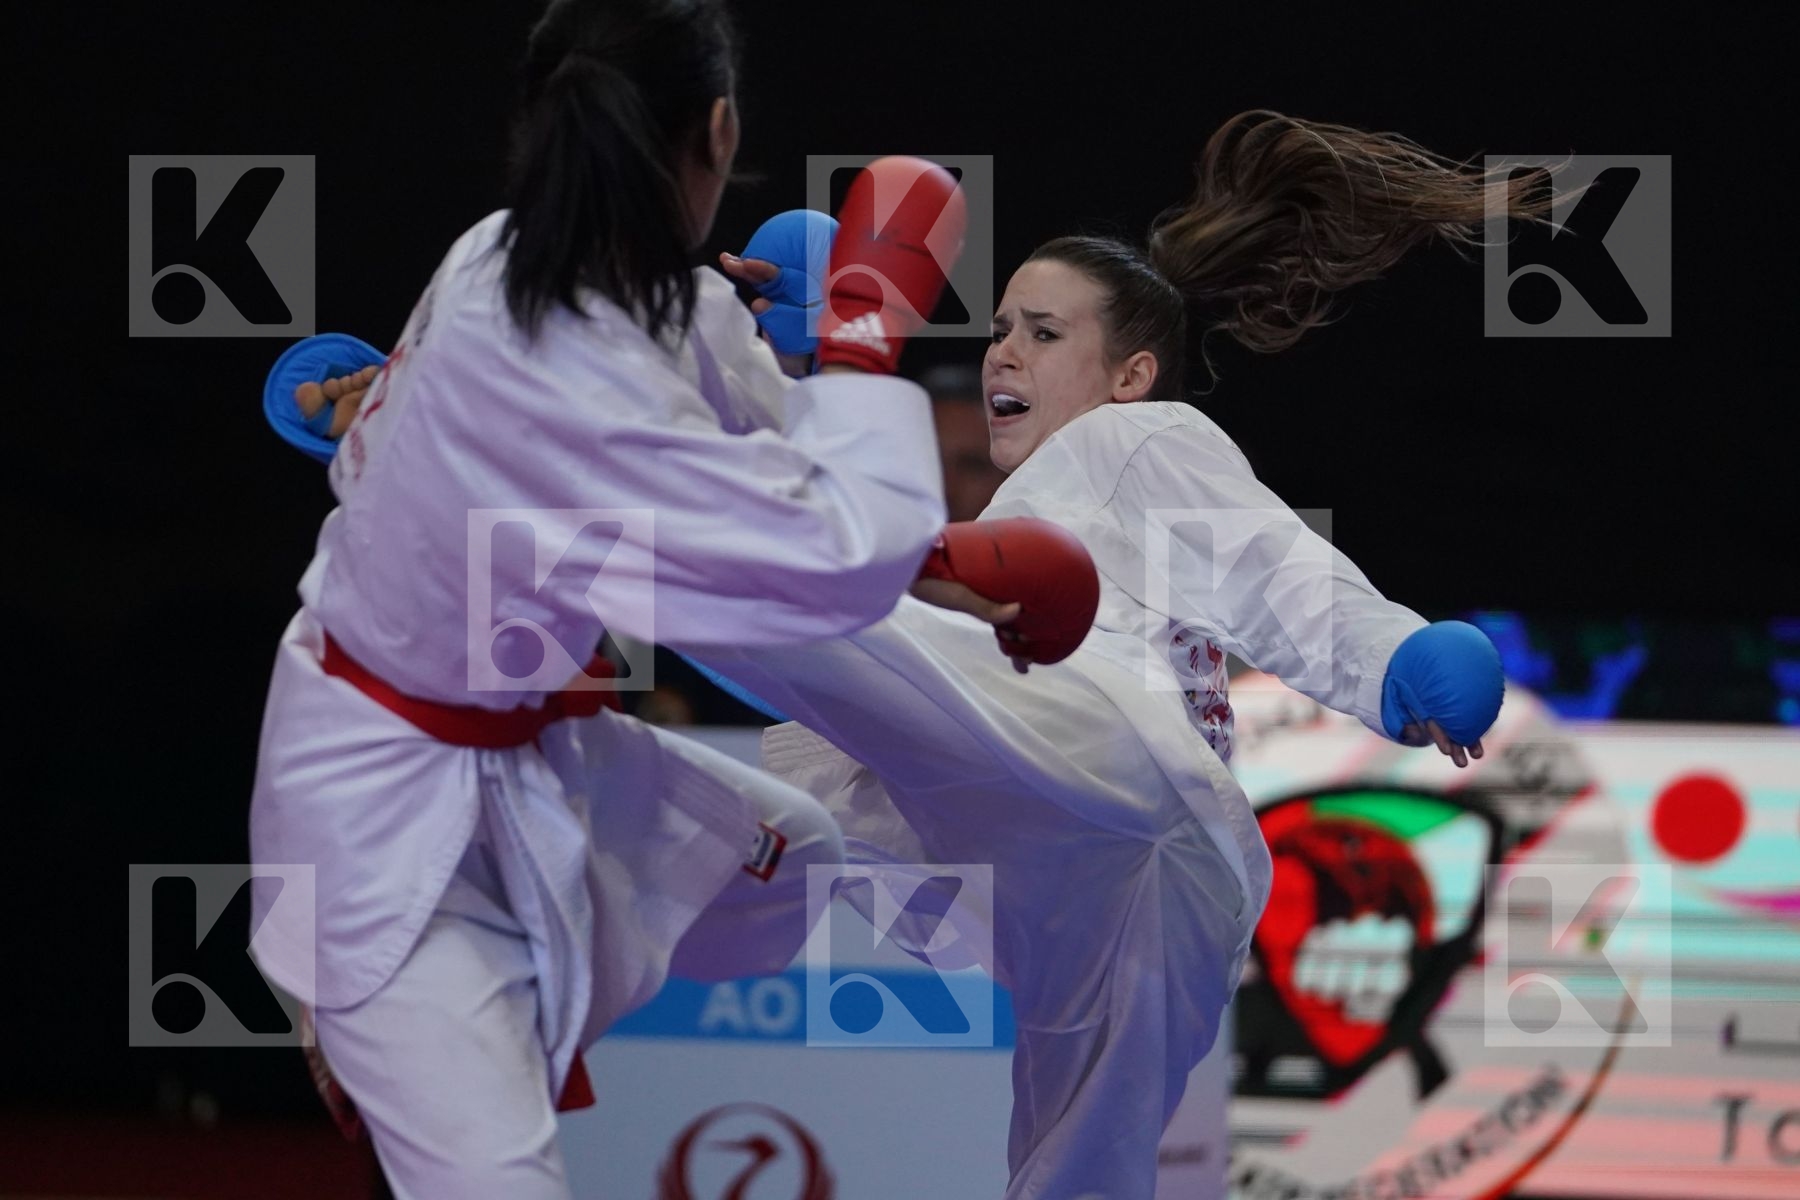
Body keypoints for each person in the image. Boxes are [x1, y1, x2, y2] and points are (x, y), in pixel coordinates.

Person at [280, 108, 1533, 1196]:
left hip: (1124, 768)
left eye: (1045, 335)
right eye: (1000, 327)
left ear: (1131, 373)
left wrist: (1392, 659)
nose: (1003, 352)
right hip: (1036, 854)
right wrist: (764, 376)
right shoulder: (982, 536)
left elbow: (1277, 570)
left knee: (820, 589)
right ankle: (498, 939)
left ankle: (468, 449)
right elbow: (824, 587)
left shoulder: (1140, 442)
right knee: (801, 839)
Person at [246, 2, 1090, 1195]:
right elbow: (819, 554)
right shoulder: (566, 356)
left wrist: (923, 524)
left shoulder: (519, 254)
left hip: (532, 752)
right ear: (721, 128)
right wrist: (857, 335)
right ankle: (382, 1008)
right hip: (376, 817)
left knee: (795, 852)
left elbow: (747, 430)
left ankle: (519, 997)